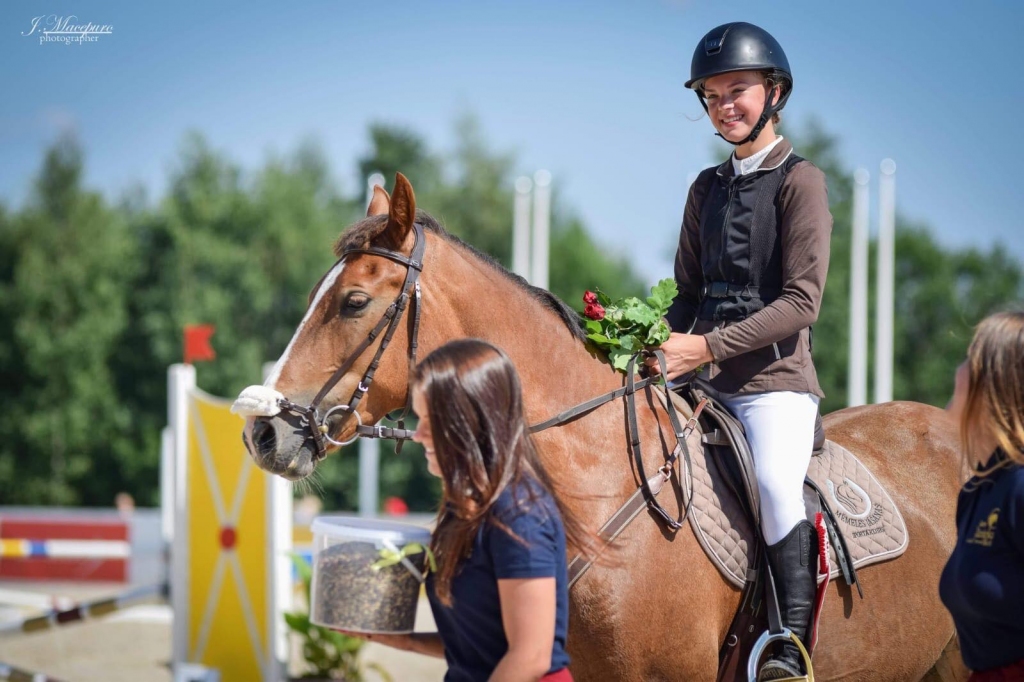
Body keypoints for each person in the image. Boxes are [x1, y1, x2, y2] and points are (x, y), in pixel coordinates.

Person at [649, 21, 833, 681]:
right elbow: (687, 292)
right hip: (701, 377)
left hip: (774, 384)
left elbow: (800, 303)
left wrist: (704, 346)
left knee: (777, 487)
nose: (724, 105)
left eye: (738, 91)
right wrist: (648, 345)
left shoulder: (800, 183)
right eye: (713, 94)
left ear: (774, 91)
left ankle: (789, 645)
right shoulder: (706, 188)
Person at [342, 339, 586, 682]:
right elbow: (479, 647)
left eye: (431, 420)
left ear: (471, 422)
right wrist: (404, 640)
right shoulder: (465, 510)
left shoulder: (521, 514)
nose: (417, 435)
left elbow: (530, 657)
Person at [940, 311, 1024, 680]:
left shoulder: (1020, 488)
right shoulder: (977, 490)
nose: (958, 368)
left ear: (996, 382)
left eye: (970, 357)